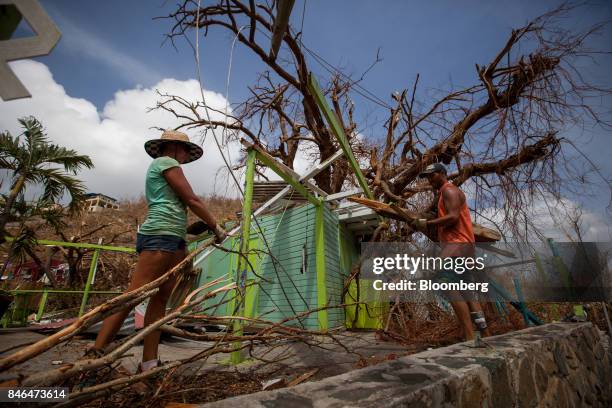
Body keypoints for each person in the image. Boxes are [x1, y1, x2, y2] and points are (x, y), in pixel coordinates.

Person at [91, 130, 227, 372]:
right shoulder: (166, 162)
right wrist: (216, 227)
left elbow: (177, 207)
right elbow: (191, 200)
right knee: (133, 296)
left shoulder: (169, 163)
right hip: (159, 235)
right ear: (173, 147)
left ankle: (149, 362)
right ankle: (93, 357)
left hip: (174, 238)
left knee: (160, 300)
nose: (186, 156)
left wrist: (188, 241)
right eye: (185, 151)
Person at [413, 163, 490, 340]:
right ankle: (485, 333)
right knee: (468, 292)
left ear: (442, 174)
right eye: (427, 177)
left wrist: (427, 223)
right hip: (464, 247)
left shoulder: (449, 190)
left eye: (432, 176)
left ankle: (469, 336)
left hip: (457, 246)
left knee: (448, 284)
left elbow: (454, 217)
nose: (430, 180)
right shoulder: (444, 194)